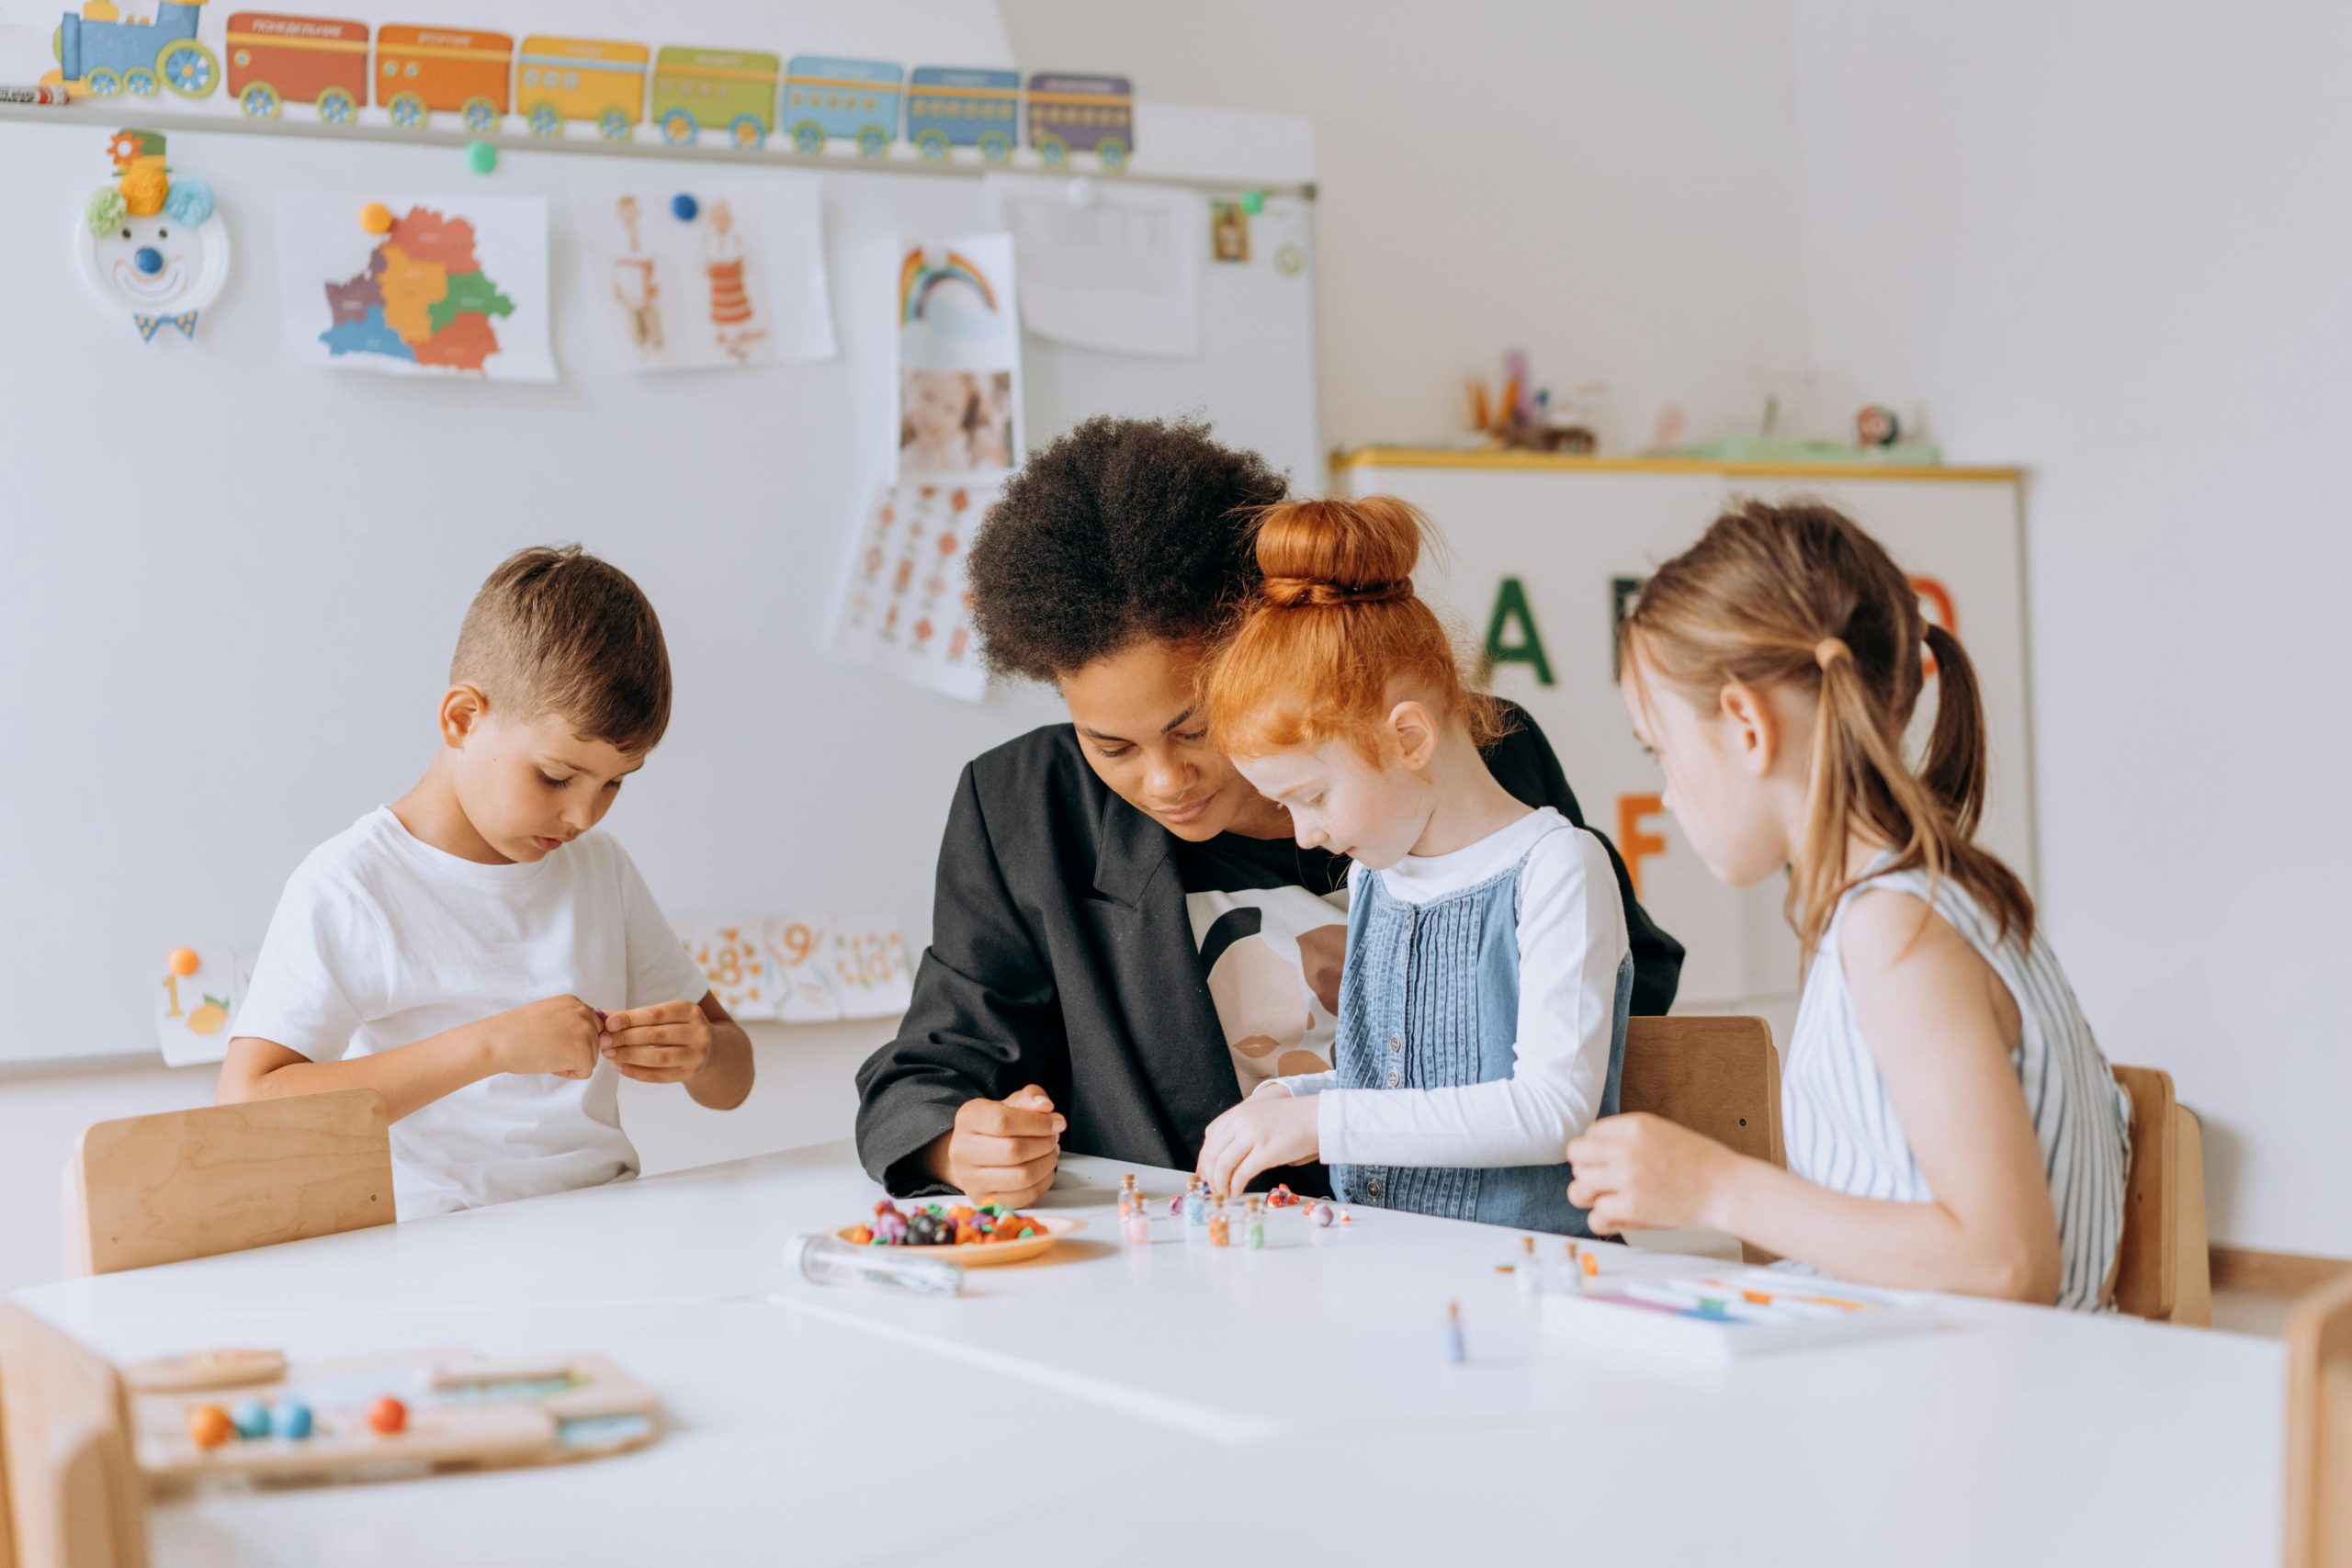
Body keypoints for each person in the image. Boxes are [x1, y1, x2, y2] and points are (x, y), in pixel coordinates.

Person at [854, 416, 1681, 1206]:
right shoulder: (1027, 809)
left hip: (1460, 1228)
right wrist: (959, 1145)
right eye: (1112, 747)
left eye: (1196, 728)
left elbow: (1617, 990)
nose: (1165, 780)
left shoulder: (1469, 750)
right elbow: (929, 1069)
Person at [1566, 500, 2128, 1306]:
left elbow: (2007, 1262)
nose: (1666, 794)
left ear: (1746, 724)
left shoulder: (1896, 928)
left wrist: (1718, 1187)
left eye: (1661, 751)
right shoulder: (1917, 901)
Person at [217, 546, 754, 1217]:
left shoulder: (601, 870)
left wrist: (703, 1052)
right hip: (431, 1243)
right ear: (462, 720)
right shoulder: (351, 885)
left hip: (606, 1225)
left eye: (615, 783)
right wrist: (491, 1045)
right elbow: (247, 1108)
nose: (584, 815)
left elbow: (733, 1080)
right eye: (555, 777)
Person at [1190, 498, 1632, 1235]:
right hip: (1389, 1266)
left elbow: (1551, 1110)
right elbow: (1401, 1089)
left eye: (1313, 796)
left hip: (1528, 1273)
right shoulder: (1377, 877)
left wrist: (1324, 1121)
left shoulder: (1557, 867)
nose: (1304, 835)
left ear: (1409, 739)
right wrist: (1302, 1098)